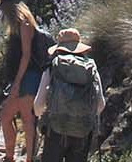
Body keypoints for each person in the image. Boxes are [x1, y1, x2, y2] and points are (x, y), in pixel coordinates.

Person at [33, 28, 105, 162]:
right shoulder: (90, 67)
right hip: (82, 130)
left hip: (55, 129)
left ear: (59, 48)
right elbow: (100, 104)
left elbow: (38, 106)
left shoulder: (53, 66)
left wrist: (44, 116)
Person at [0, 0, 44, 162]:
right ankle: (10, 157)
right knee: (6, 115)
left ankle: (28, 158)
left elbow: (26, 55)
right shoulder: (17, 25)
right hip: (21, 77)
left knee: (26, 119)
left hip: (29, 77)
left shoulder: (24, 24)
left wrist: (17, 83)